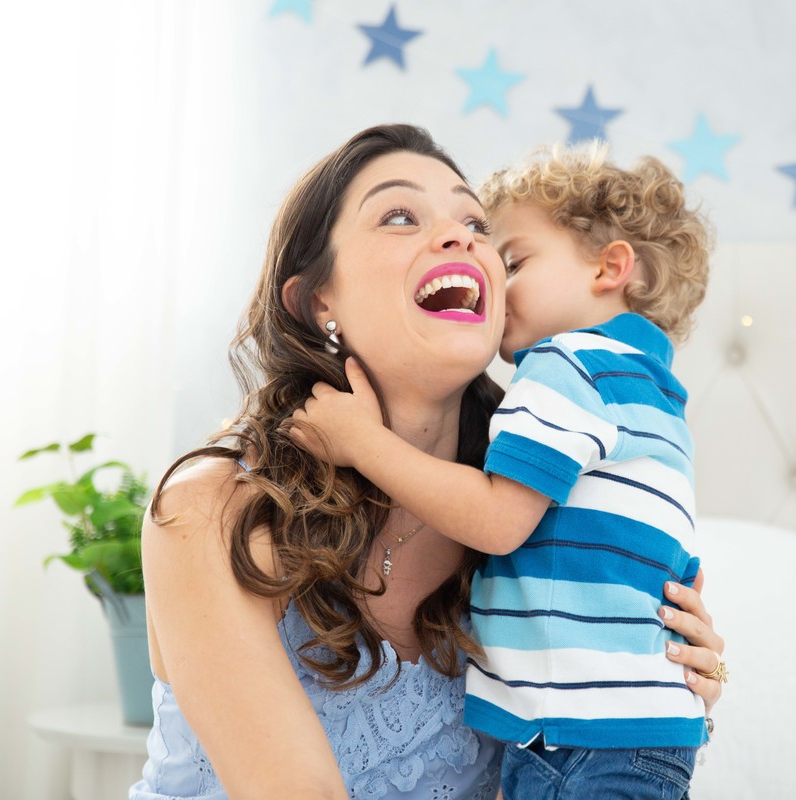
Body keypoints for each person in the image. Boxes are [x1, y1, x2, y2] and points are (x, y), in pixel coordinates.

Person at [132, 124, 725, 800]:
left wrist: (657, 682)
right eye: (399, 215)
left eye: (476, 223)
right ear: (317, 299)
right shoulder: (211, 507)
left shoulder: (539, 517)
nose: (462, 238)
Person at [290, 143, 716, 799]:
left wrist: (362, 442)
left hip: (584, 741)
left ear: (610, 268)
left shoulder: (567, 367)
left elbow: (495, 520)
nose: (483, 262)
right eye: (402, 217)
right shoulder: (650, 391)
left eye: (511, 258)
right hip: (631, 736)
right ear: (318, 300)